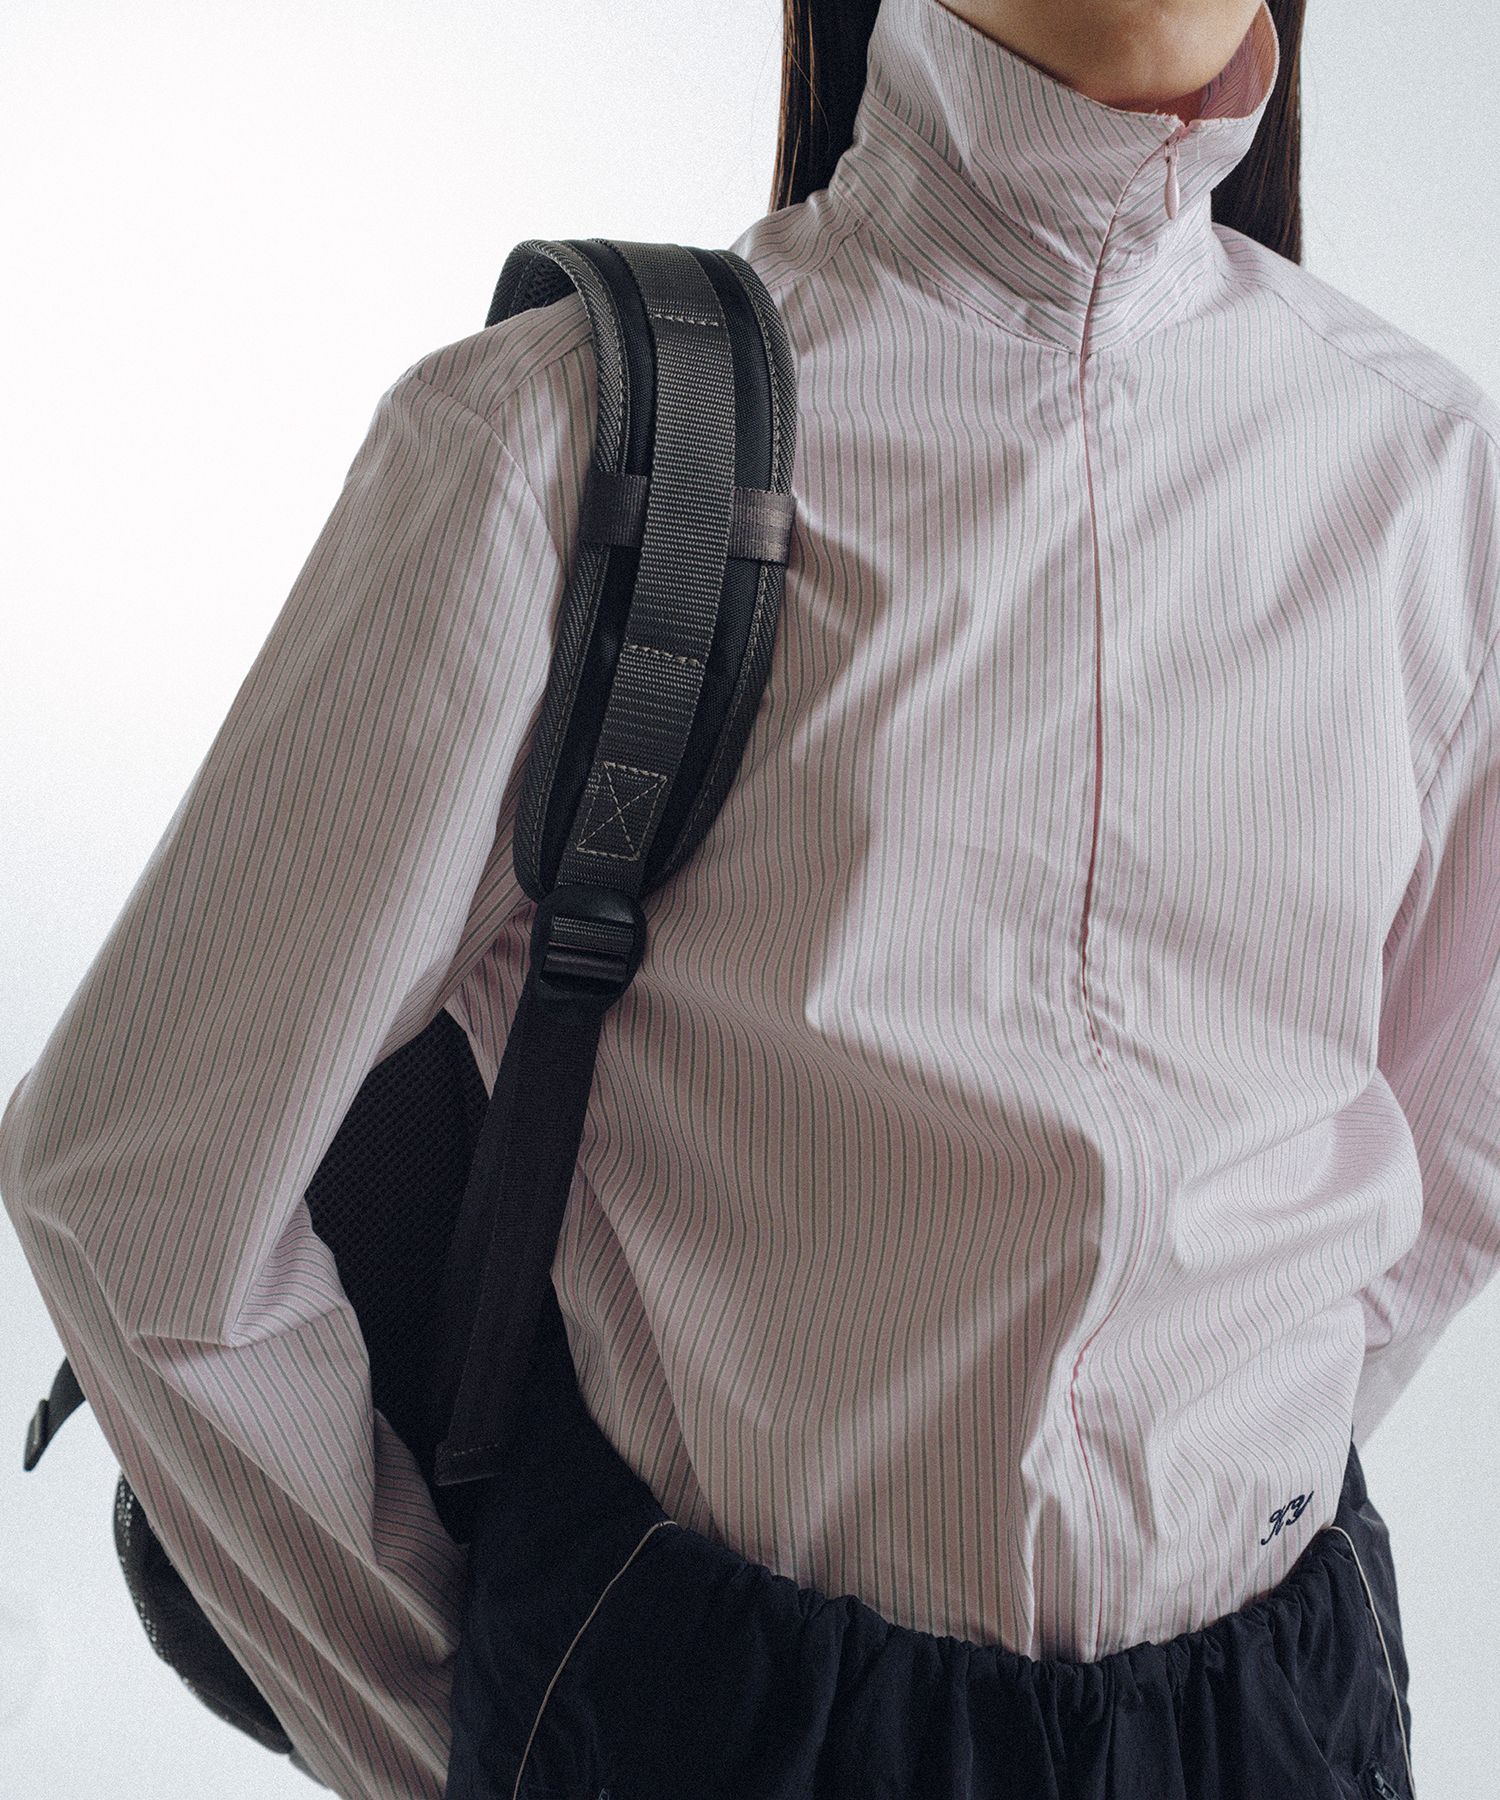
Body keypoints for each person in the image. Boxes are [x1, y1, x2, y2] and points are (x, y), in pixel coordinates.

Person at [5, 0, 1496, 1793]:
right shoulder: (558, 439)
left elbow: (1443, 1165)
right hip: (734, 1722)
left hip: (1282, 1710)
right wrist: (487, 1722)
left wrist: (1231, 1490)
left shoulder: (1428, 478)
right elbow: (143, 1179)